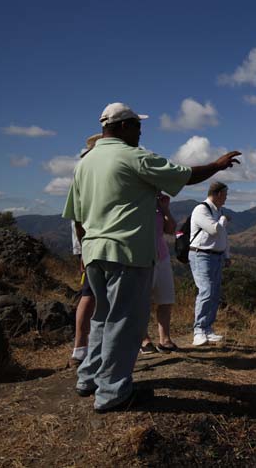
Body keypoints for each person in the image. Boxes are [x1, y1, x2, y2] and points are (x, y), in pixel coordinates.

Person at [62, 102, 240, 413]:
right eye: (137, 126)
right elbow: (184, 175)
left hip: (94, 252)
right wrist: (217, 164)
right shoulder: (132, 156)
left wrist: (85, 249)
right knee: (126, 322)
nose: (140, 132)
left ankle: (88, 378)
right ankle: (113, 393)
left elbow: (76, 216)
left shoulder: (85, 163)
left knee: (103, 316)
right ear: (123, 127)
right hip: (126, 252)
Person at [70, 134, 102, 365]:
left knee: (90, 295)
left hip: (90, 246)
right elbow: (79, 217)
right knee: (89, 295)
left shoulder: (85, 171)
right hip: (93, 246)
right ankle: (83, 348)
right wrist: (82, 251)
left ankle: (82, 348)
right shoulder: (89, 172)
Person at [189, 181, 231, 346]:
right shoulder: (201, 210)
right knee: (206, 291)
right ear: (218, 194)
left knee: (214, 293)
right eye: (225, 195)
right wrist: (223, 220)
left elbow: (223, 236)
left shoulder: (218, 211)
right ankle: (198, 330)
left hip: (216, 256)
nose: (226, 199)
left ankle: (207, 328)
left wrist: (227, 255)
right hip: (202, 255)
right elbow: (215, 230)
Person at [140, 193, 178, 354]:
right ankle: (144, 338)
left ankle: (164, 338)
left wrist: (165, 210)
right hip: (141, 258)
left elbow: (171, 229)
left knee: (165, 299)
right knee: (142, 301)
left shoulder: (158, 209)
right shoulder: (136, 204)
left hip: (161, 255)